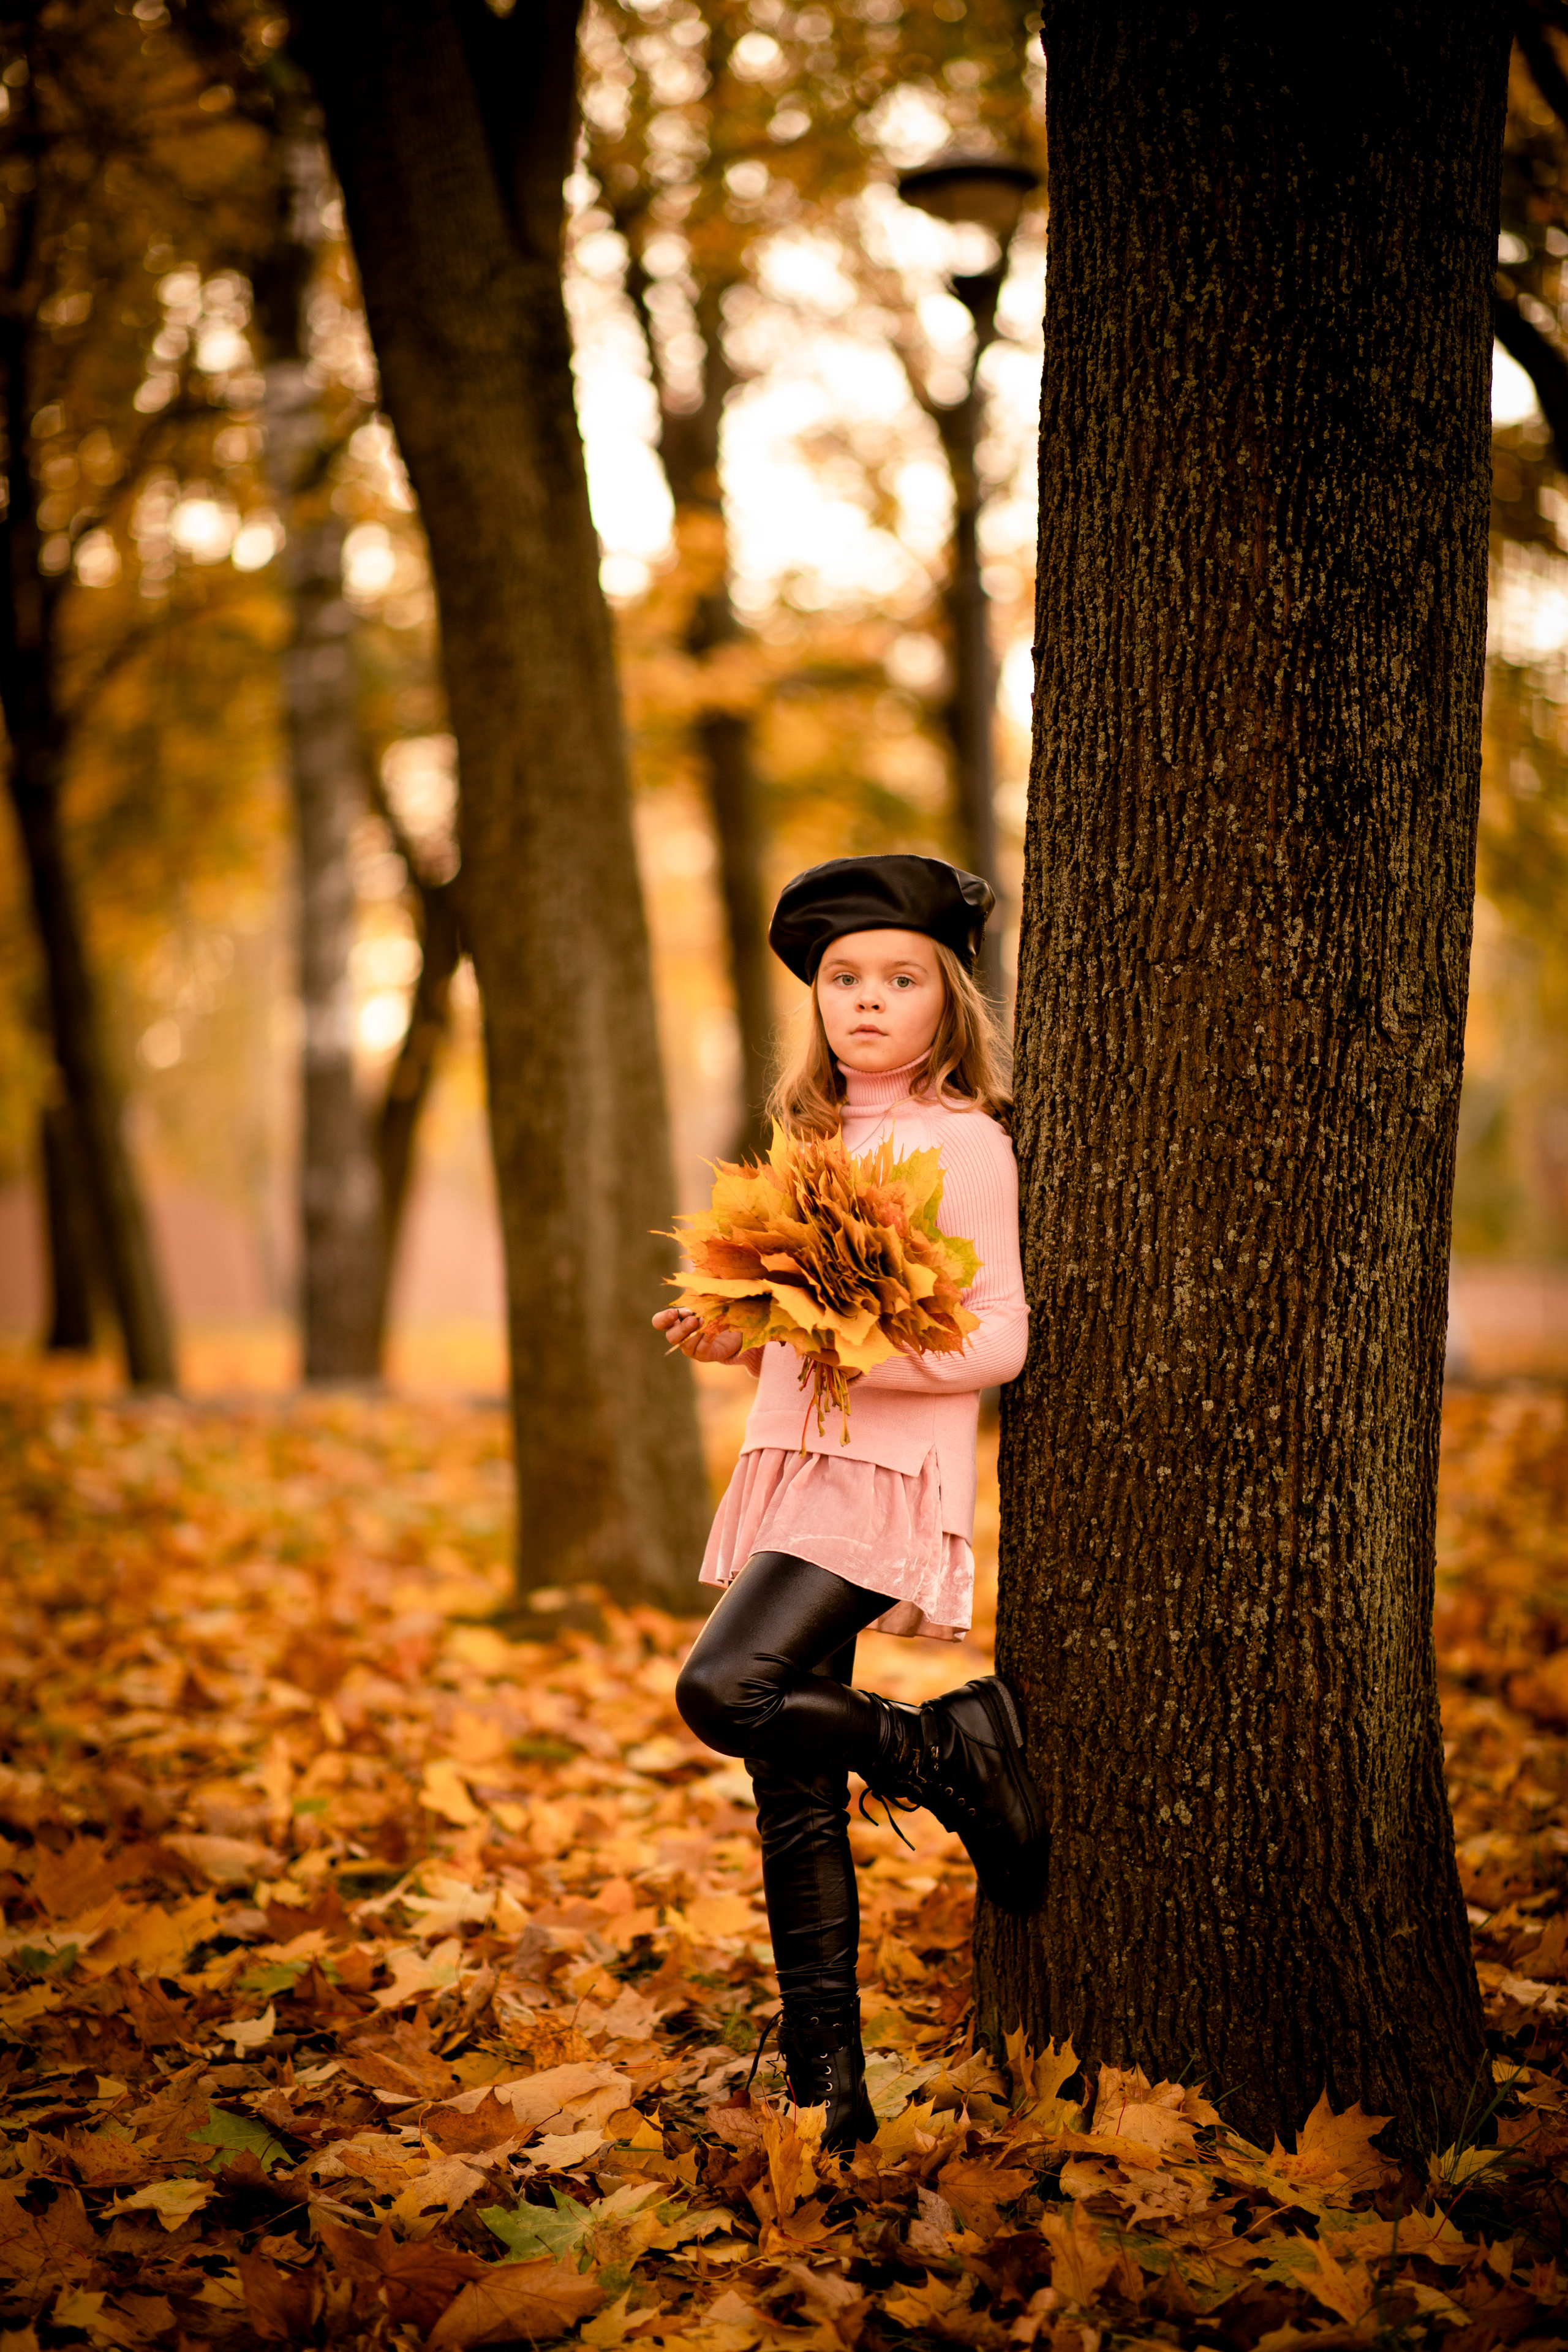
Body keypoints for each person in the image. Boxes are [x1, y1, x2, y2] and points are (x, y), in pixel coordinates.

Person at [652, 853, 1044, 2152]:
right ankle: (831, 2092)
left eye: (899, 978)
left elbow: (998, 1342)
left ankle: (945, 1751)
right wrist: (744, 1330)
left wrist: (860, 1344)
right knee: (789, 1793)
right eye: (842, 979)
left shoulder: (963, 1141)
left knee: (724, 1691)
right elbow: (802, 1321)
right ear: (814, 1000)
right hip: (791, 1469)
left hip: (881, 1478)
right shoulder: (809, 1143)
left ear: (949, 998)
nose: (866, 1001)